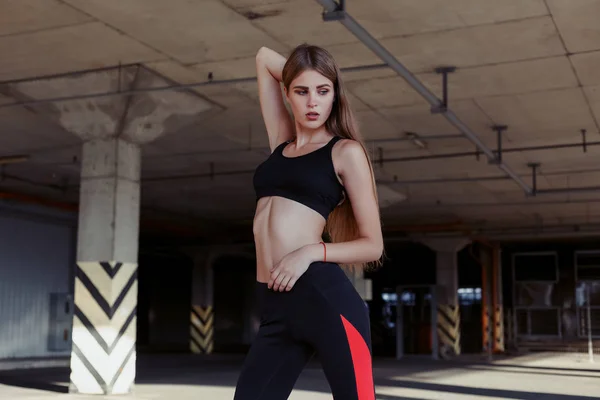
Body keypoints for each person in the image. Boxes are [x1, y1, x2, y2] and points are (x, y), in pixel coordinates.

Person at [233, 43, 384, 400]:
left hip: (322, 295)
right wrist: (306, 68)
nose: (312, 102)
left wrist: (310, 253)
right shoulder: (280, 144)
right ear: (286, 94)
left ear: (335, 95)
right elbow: (262, 57)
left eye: (323, 91)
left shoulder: (345, 151)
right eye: (302, 92)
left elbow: (373, 244)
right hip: (276, 301)